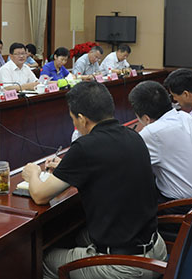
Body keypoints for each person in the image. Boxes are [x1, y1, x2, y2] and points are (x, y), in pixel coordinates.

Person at [22, 81, 166, 279]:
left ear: (82, 119)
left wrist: (33, 173)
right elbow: (106, 167)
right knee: (79, 235)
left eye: (73, 119)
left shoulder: (85, 147)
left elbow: (40, 195)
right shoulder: (134, 136)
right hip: (157, 251)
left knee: (43, 261)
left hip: (126, 267)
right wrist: (69, 169)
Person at [129, 80, 192, 202]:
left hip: (185, 205)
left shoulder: (152, 132)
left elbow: (129, 167)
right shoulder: (185, 116)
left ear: (146, 119)